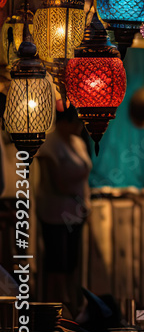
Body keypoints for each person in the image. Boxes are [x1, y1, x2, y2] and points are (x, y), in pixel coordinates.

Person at [36, 108, 91, 314]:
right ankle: (54, 310)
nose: (79, 127)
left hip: (76, 212)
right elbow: (56, 182)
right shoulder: (49, 144)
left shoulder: (77, 142)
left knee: (71, 263)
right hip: (55, 212)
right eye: (76, 122)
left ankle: (72, 308)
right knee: (56, 263)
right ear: (63, 122)